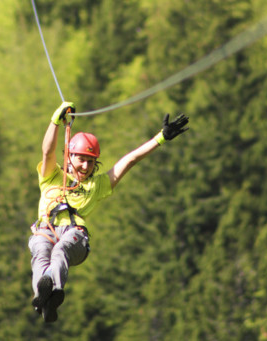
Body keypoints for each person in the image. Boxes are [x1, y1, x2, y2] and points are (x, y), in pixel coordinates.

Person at [28, 101, 189, 323]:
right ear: (69, 157)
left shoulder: (98, 185)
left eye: (91, 162)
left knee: (59, 252)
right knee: (39, 252)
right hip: (45, 231)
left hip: (73, 236)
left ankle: (51, 289)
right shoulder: (51, 176)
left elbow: (130, 160)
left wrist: (160, 138)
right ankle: (44, 299)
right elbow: (47, 151)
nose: (85, 166)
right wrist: (55, 122)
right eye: (81, 159)